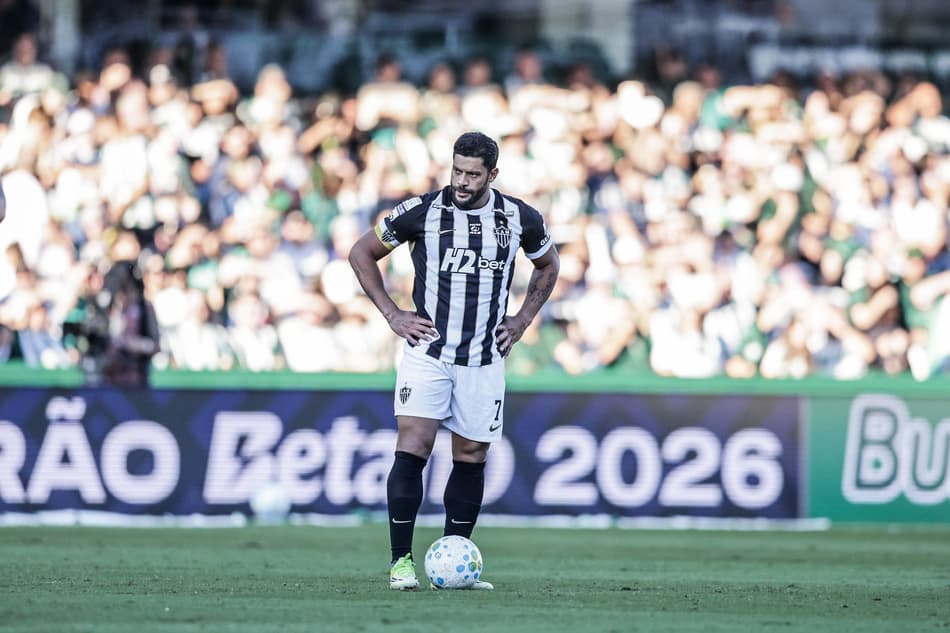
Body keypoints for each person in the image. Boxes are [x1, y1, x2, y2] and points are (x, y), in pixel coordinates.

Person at [348, 131, 560, 590]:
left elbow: (549, 265)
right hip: (429, 352)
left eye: (473, 174)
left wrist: (522, 320)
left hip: (484, 357)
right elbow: (361, 252)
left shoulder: (519, 217)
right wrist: (392, 314)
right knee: (415, 445)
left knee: (470, 456)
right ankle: (400, 562)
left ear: (493, 174)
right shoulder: (421, 211)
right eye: (457, 171)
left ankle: (454, 560)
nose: (462, 182)